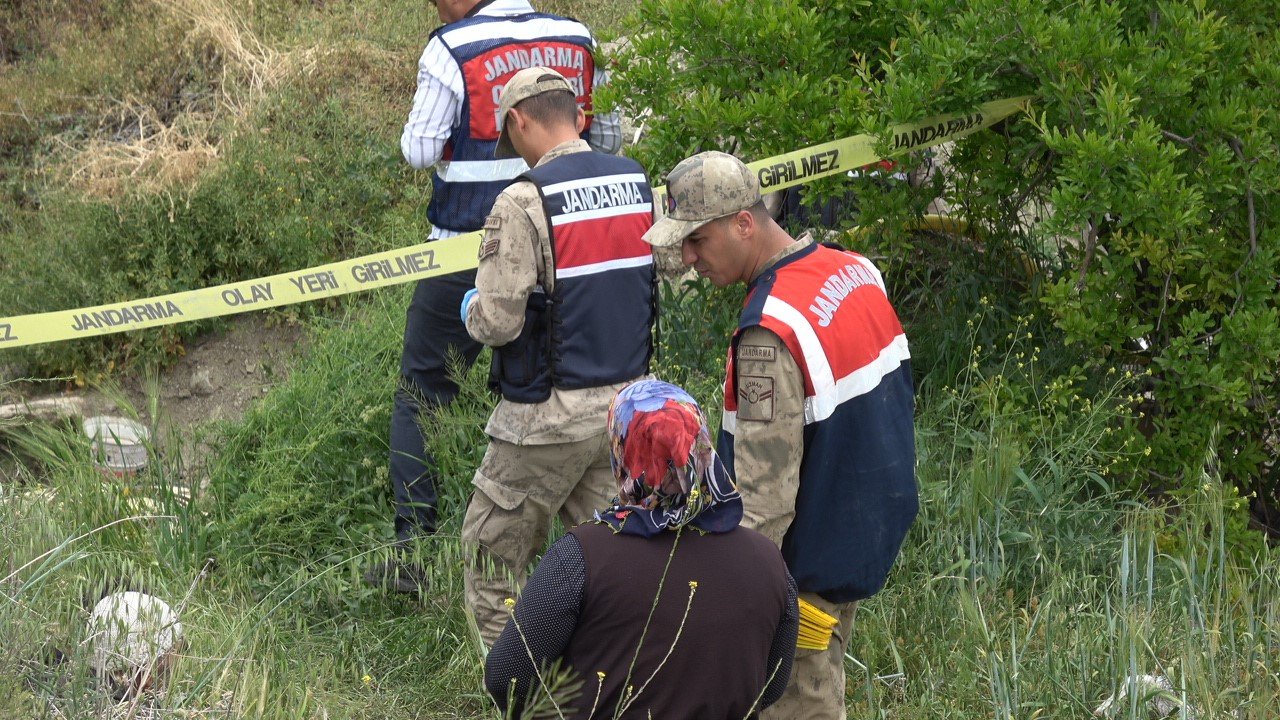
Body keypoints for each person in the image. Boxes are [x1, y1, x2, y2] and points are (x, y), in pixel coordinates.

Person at [642, 151, 919, 719]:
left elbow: (764, 505)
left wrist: (738, 609)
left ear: (744, 222)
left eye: (698, 240)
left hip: (803, 575)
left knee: (798, 701)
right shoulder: (853, 269)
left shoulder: (769, 334)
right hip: (859, 537)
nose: (690, 259)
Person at [369, 0, 623, 593]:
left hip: (468, 249)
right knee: (549, 379)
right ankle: (588, 557)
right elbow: (605, 133)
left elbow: (419, 150)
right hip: (569, 243)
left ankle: (416, 550)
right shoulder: (576, 36)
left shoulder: (452, 47)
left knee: (422, 392)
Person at [460, 67, 655, 646]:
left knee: (491, 562)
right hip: (624, 411)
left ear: (519, 120)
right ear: (576, 115)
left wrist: (470, 307)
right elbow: (662, 270)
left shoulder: (522, 200)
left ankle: (517, 695)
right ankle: (614, 684)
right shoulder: (634, 181)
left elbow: (497, 322)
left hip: (544, 420)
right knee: (614, 566)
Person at [484, 379, 798, 719]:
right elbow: (773, 684)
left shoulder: (581, 556)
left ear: (623, 452)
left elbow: (506, 678)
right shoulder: (769, 562)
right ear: (701, 447)